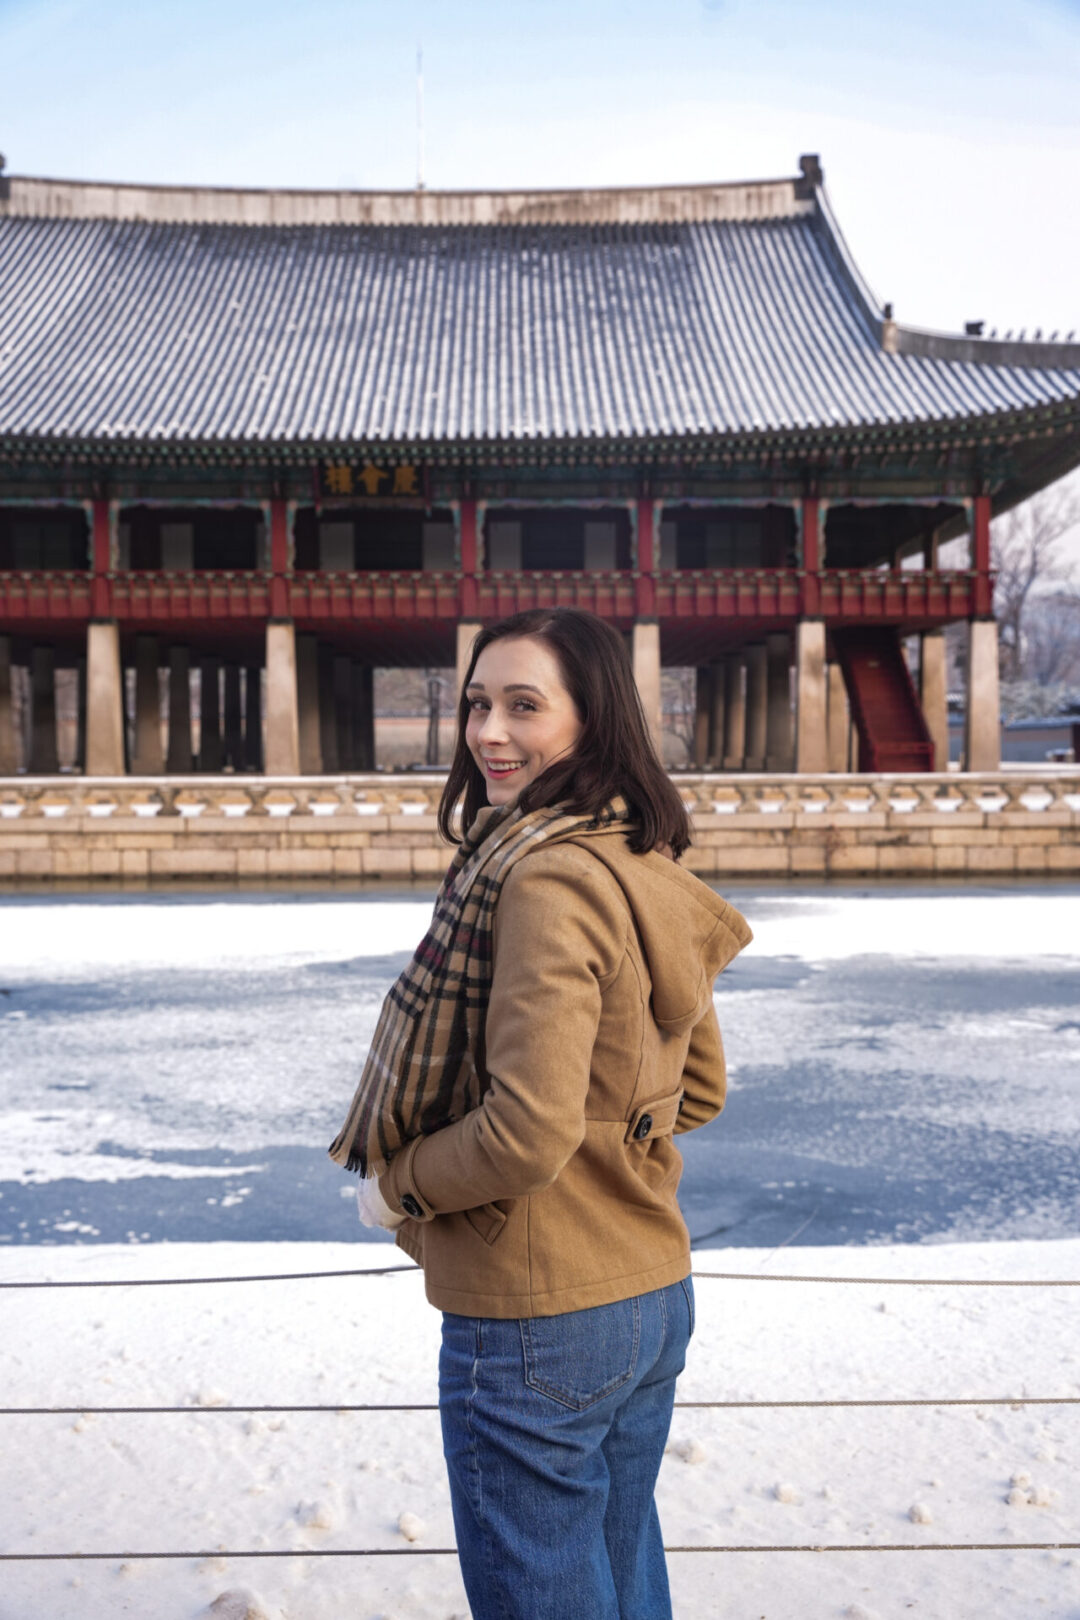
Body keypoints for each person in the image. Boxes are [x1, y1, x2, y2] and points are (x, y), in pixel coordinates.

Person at [330, 607, 751, 1620]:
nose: (489, 733)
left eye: (525, 706)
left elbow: (526, 1132)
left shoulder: (541, 877)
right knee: (619, 1573)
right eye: (478, 703)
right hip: (649, 1290)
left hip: (536, 1316)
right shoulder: (639, 863)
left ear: (592, 719)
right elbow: (696, 1091)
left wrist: (400, 1187)